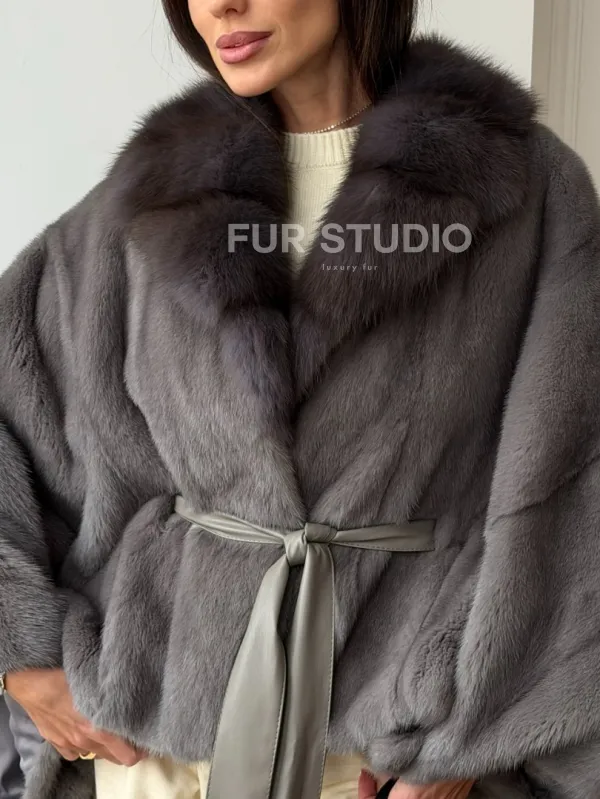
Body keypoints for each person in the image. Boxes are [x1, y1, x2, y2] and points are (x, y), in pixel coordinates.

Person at [1, 0, 600, 797]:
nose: (221, 5)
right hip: (156, 753)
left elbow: (572, 480)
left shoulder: (525, 187)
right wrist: (20, 652)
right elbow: (15, 398)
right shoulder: (150, 194)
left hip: (383, 753)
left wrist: (468, 743)